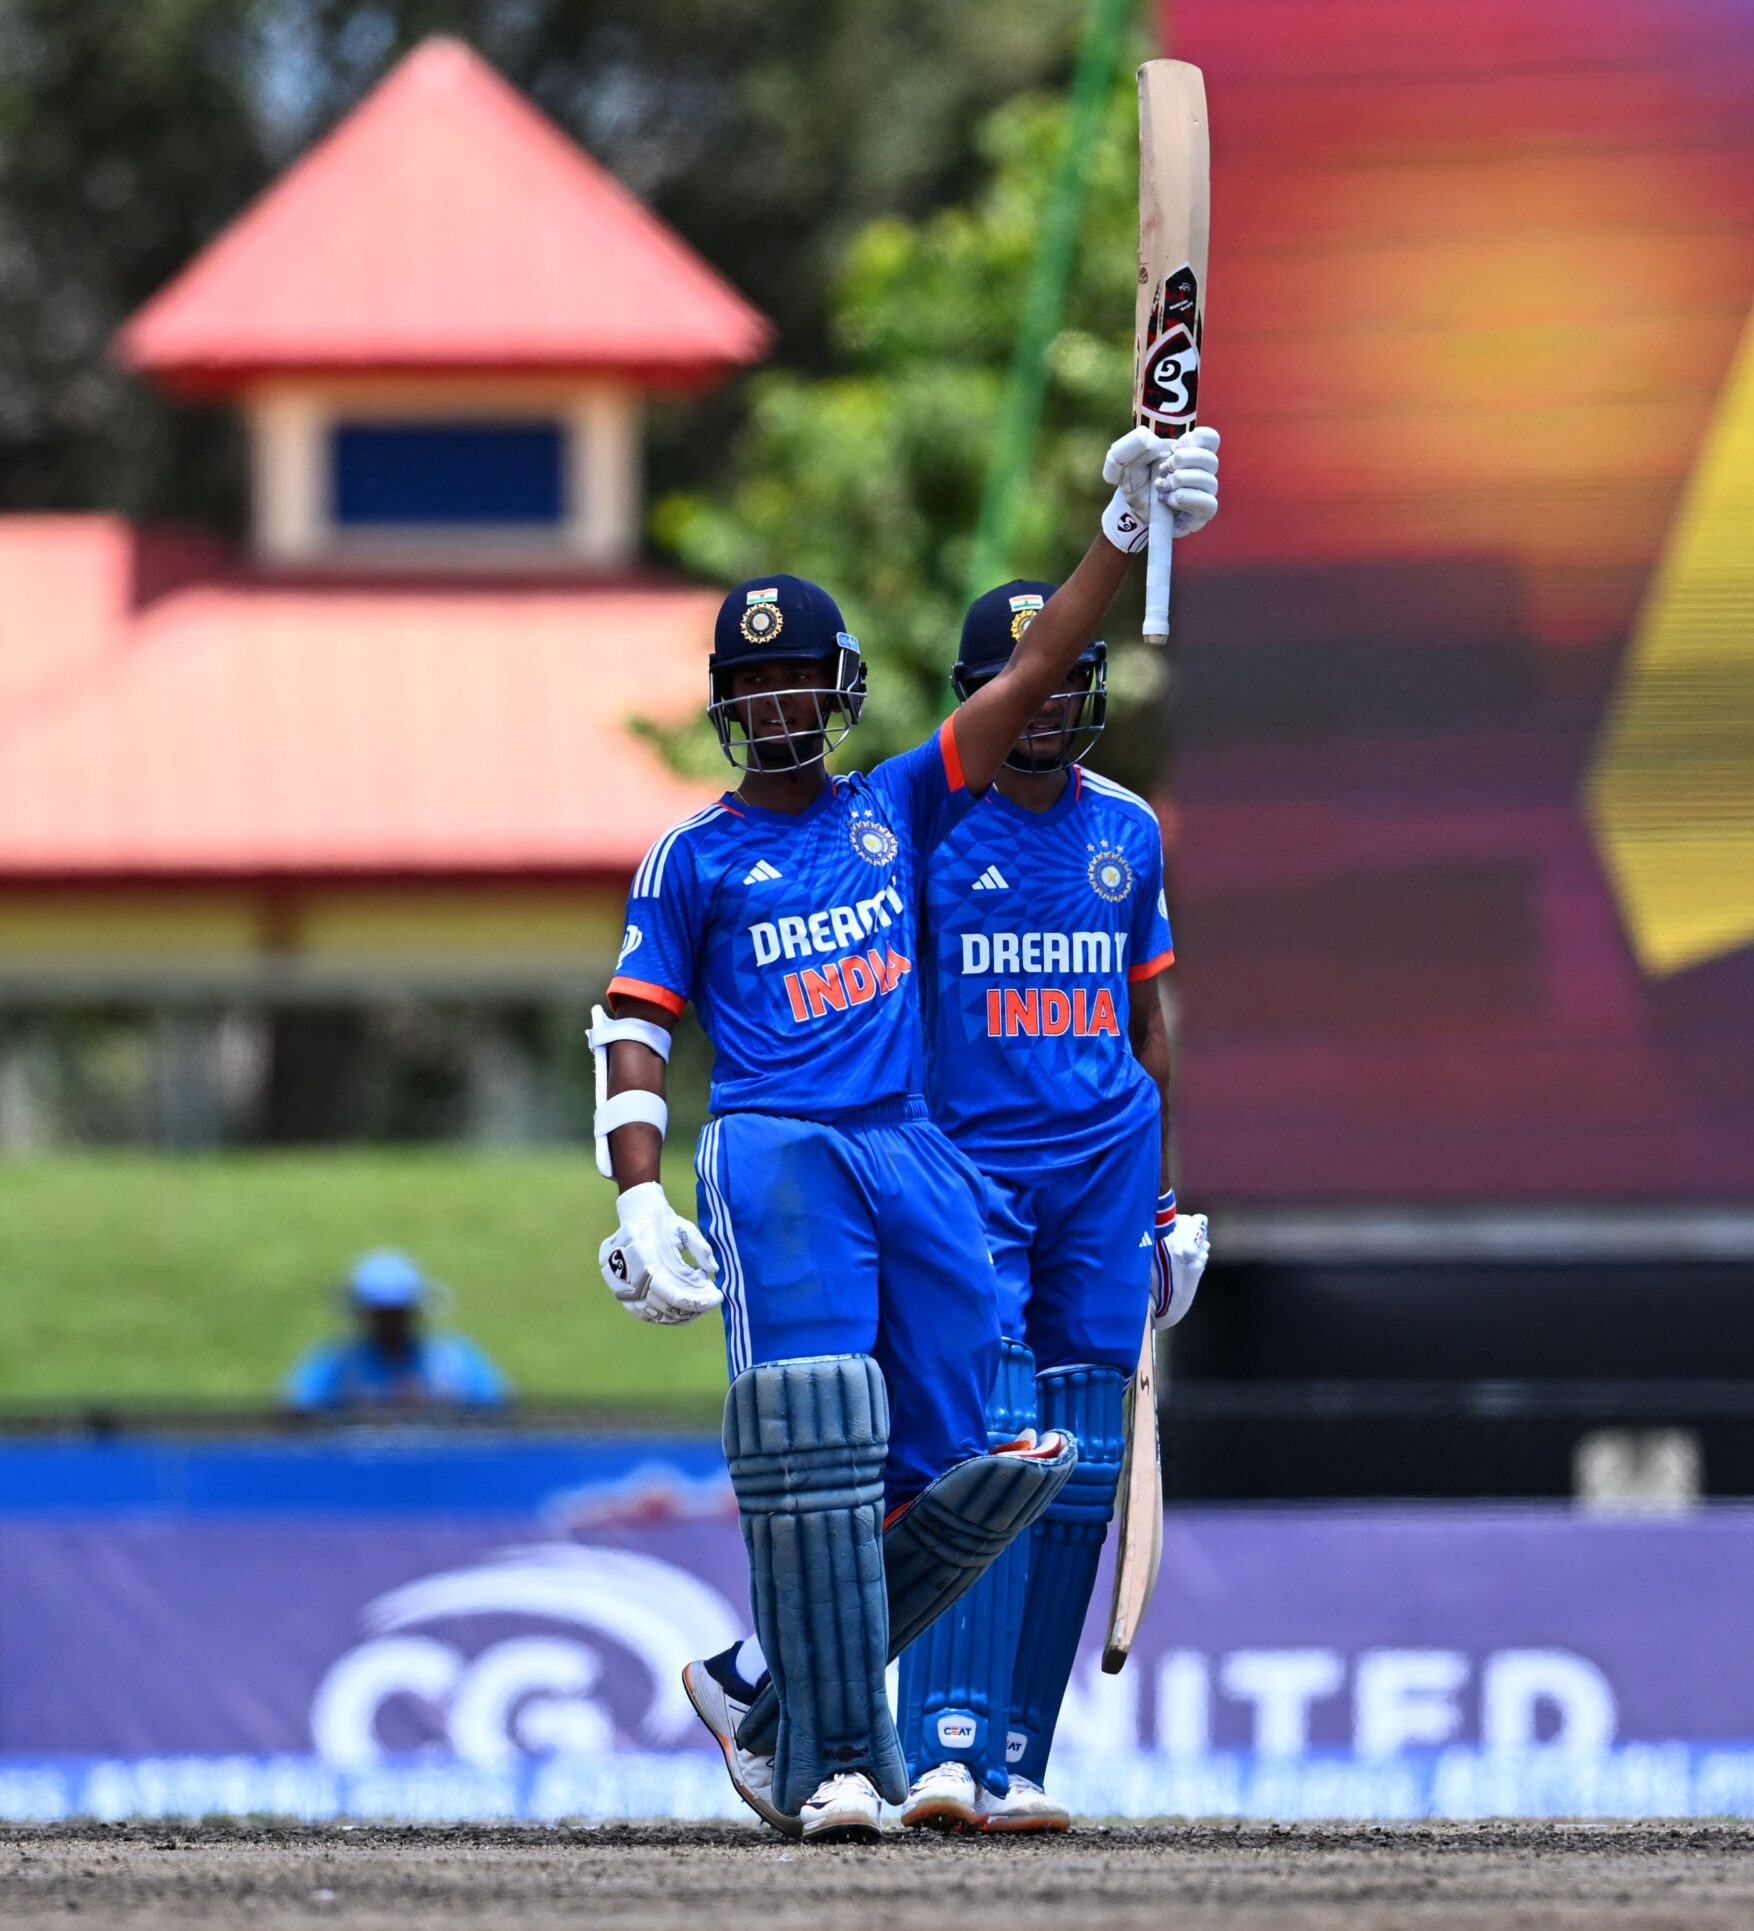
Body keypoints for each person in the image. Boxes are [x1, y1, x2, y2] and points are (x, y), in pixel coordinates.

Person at [587, 426, 1221, 1844]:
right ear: (723, 706)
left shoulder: (900, 804)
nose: (779, 706)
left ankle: (758, 1685)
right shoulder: (695, 856)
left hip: (915, 1153)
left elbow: (1035, 666)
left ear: (844, 686)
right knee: (818, 1435)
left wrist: (1121, 527)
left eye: (799, 679)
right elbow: (630, 1021)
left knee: (964, 1477)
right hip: (782, 1145)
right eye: (753, 686)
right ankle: (836, 1762)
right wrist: (635, 1195)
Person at [892, 581, 1210, 1832]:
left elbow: (1147, 1026)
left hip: (1106, 1177)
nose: (1046, 706)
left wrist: (1168, 1203)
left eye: (1069, 682)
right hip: (969, 1173)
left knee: (1081, 1468)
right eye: (1025, 684)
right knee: (988, 1447)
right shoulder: (924, 825)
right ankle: (941, 1744)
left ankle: (1017, 1757)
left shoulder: (1126, 827)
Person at [279, 1250, 509, 1415]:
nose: (389, 1322)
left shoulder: (452, 1361)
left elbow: (500, 1412)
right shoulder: (338, 1363)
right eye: (380, 1313)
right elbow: (294, 1413)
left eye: (397, 1313)